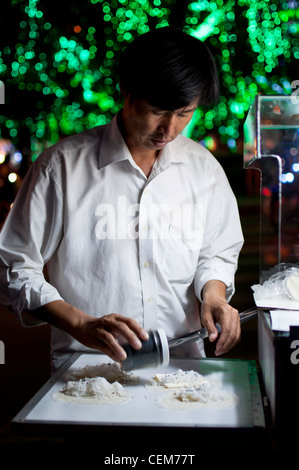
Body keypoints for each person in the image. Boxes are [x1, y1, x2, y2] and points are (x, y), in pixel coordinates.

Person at [0, 27, 244, 371]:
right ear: (126, 91)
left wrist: (214, 295)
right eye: (158, 111)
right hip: (86, 371)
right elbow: (14, 266)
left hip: (182, 371)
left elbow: (216, 252)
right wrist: (80, 324)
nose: (169, 129)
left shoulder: (204, 169)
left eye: (185, 113)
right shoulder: (61, 168)